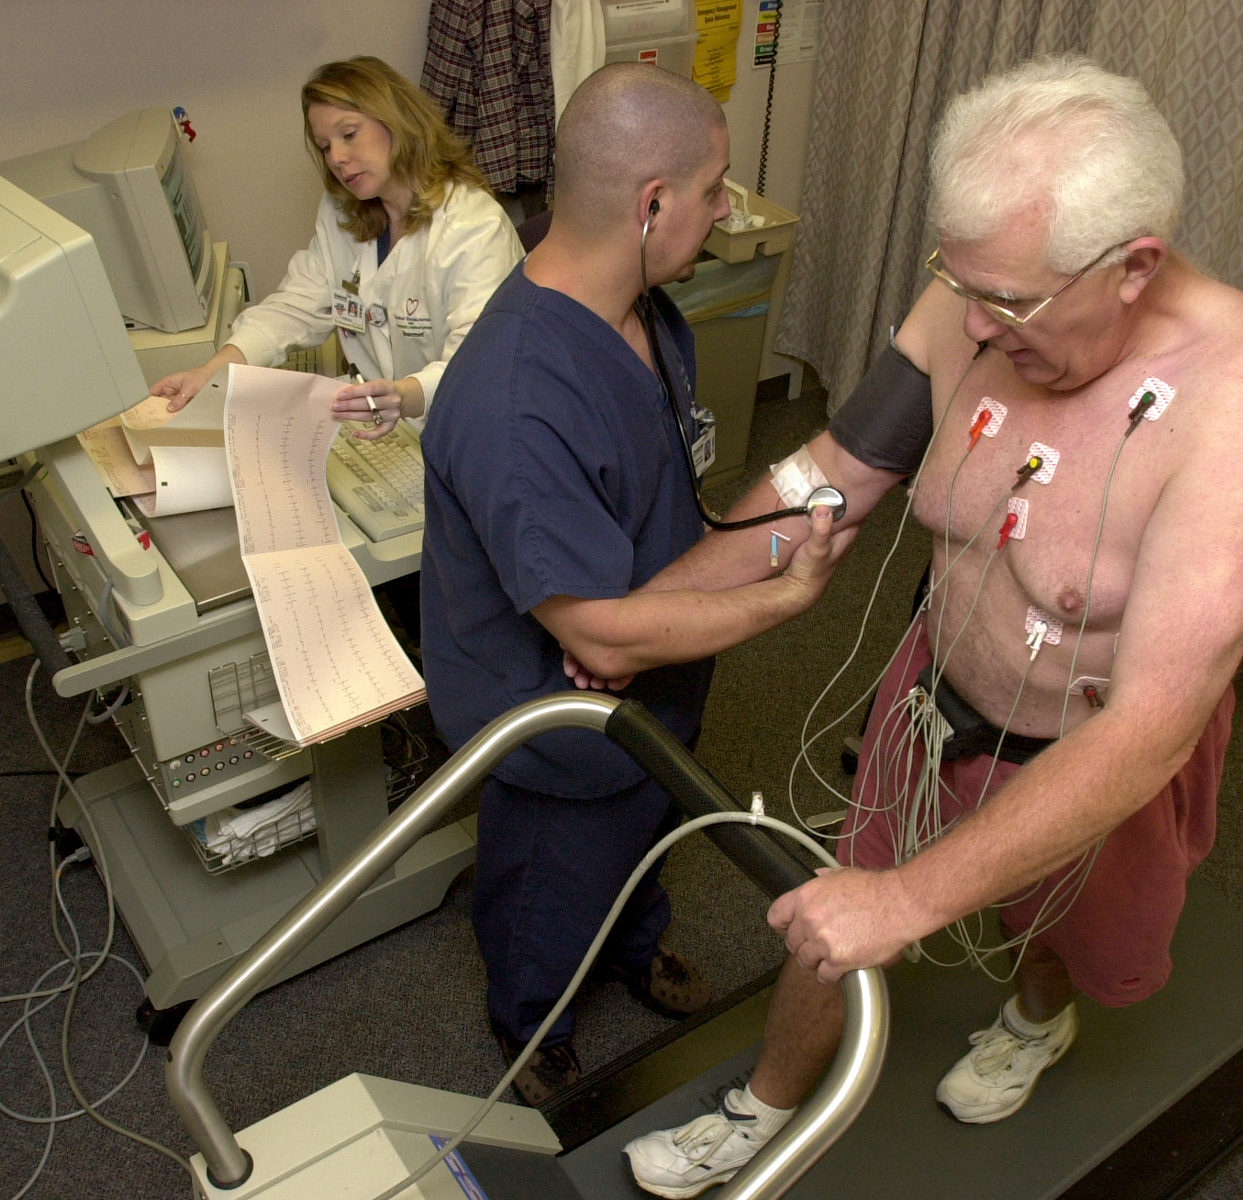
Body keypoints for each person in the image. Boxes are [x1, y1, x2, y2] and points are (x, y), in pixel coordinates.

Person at [621, 55, 1243, 1197]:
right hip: (930, 700)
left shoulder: (1242, 391)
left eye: (1012, 302)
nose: (976, 323)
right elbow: (828, 477)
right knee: (837, 911)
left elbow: (1152, 723)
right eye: (961, 281)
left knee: (1049, 933)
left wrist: (910, 904)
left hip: (1090, 749)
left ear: (1134, 266)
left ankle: (1038, 1019)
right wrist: (641, 622)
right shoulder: (981, 296)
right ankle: (762, 1106)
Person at [419, 63, 852, 1107]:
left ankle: (633, 944)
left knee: (654, 822)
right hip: (556, 717)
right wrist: (782, 598)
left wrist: (661, 615)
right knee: (551, 879)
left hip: (655, 671)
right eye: (713, 189)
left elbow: (649, 504)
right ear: (651, 204)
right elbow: (601, 641)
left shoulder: (641, 311)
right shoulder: (518, 401)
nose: (725, 211)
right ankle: (534, 1019)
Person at [149, 56, 522, 438]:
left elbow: (479, 368)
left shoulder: (474, 229)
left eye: (349, 134)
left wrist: (403, 396)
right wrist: (210, 374)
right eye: (325, 146)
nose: (337, 159)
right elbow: (294, 308)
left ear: (398, 122)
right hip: (383, 429)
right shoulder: (343, 212)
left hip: (462, 432)